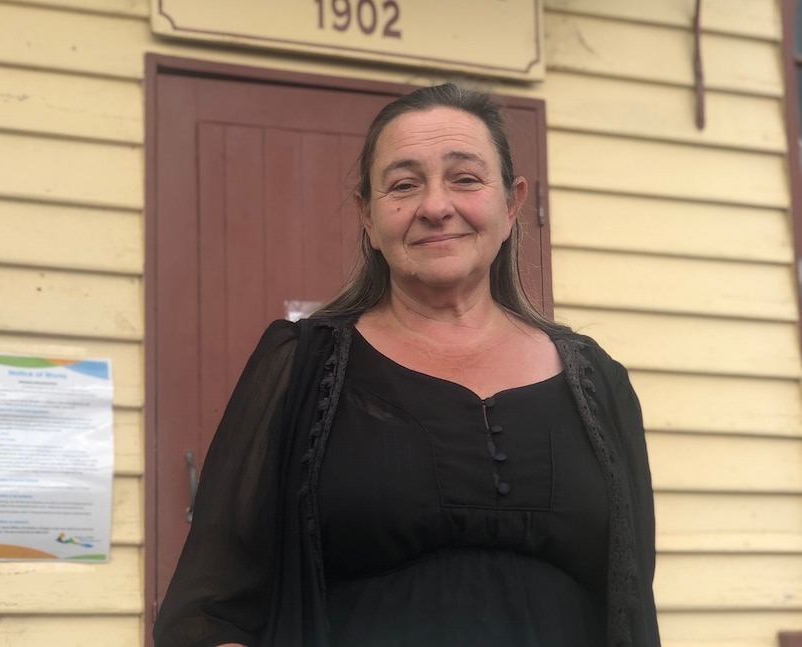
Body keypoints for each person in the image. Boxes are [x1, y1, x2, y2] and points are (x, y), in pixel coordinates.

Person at [153, 83, 661, 647]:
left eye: (465, 178)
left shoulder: (599, 385)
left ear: (513, 203)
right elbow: (208, 613)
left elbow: (632, 604)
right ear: (368, 218)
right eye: (403, 185)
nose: (436, 206)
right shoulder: (300, 369)